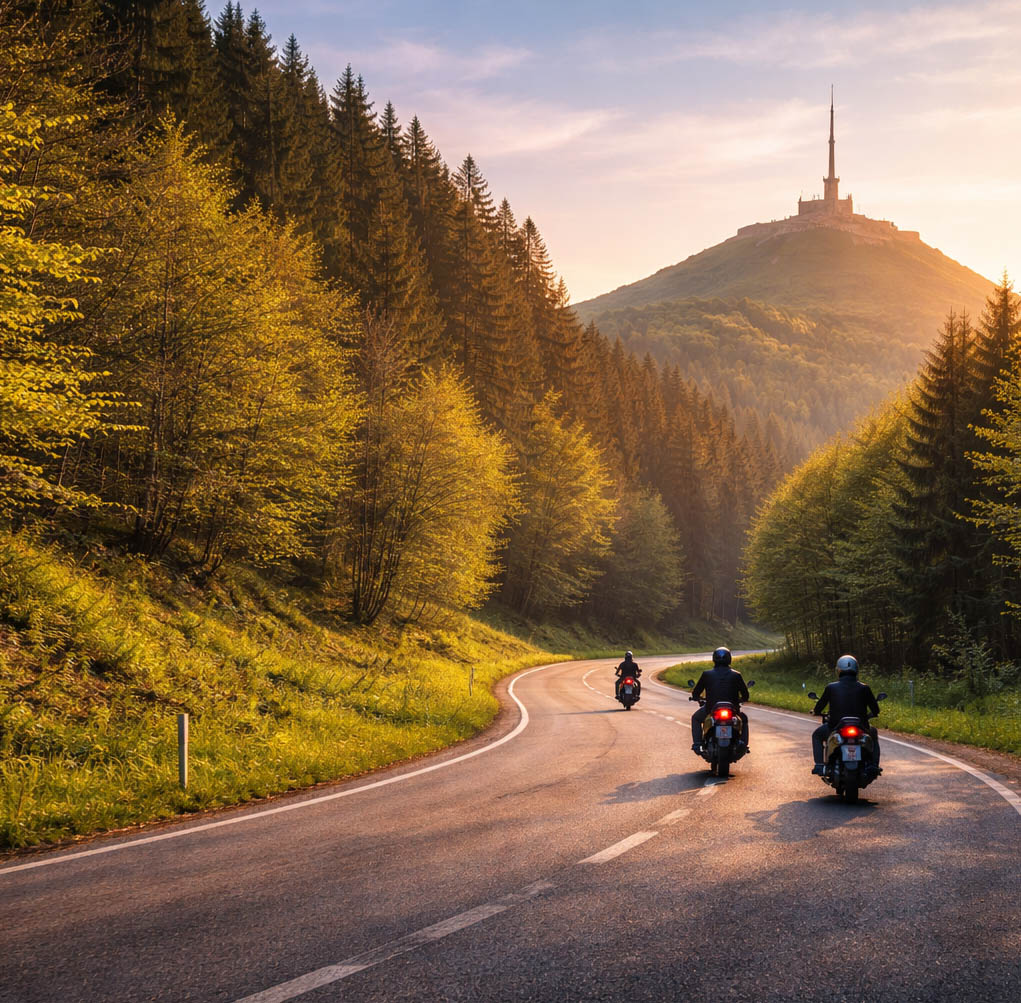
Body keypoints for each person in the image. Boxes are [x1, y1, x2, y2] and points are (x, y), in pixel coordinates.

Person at [811, 655, 881, 776]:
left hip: (835, 726)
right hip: (861, 726)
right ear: (856, 669)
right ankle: (874, 765)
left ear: (838, 670)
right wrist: (872, 714)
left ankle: (819, 765)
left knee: (817, 735)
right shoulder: (864, 688)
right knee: (873, 734)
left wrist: (815, 711)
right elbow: (876, 709)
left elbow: (820, 706)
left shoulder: (831, 687)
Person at [690, 647, 750, 752]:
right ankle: (744, 745)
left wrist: (697, 698)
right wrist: (742, 699)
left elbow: (696, 693)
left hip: (711, 708)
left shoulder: (707, 674)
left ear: (714, 659)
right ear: (729, 659)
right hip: (733, 709)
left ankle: (698, 744)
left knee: (696, 718)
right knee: (743, 719)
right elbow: (745, 695)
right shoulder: (736, 675)